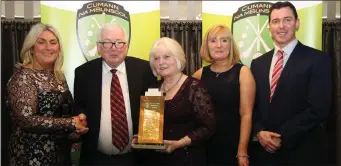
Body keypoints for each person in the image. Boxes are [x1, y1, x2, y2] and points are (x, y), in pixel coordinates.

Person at [250, 1, 332, 166]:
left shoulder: (318, 59)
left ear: (297, 23)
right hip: (263, 155)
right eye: (275, 21)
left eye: (287, 20)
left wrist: (282, 137)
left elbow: (318, 109)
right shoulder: (257, 63)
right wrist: (258, 131)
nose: (281, 26)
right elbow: (252, 105)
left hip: (302, 152)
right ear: (269, 27)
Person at [73, 23, 157, 165]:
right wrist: (80, 119)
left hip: (136, 158)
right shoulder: (83, 73)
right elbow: (79, 108)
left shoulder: (145, 70)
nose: (114, 48)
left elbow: (153, 108)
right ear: (99, 47)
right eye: (107, 43)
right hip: (97, 159)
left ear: (127, 46)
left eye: (119, 43)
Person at [6, 23, 88, 166]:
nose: (48, 48)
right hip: (30, 157)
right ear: (31, 47)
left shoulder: (58, 77)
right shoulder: (23, 77)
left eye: (53, 42)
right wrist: (71, 123)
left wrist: (76, 129)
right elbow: (27, 120)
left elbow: (59, 116)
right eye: (41, 42)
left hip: (61, 156)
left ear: (59, 48)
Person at [138, 37, 216, 166]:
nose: (161, 62)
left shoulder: (195, 87)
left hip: (187, 158)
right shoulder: (152, 88)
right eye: (156, 58)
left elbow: (209, 127)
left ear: (178, 58)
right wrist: (142, 138)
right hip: (156, 160)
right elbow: (150, 127)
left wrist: (180, 143)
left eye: (167, 56)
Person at [193, 24, 255, 166]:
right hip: (204, 146)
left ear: (231, 45)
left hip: (232, 145)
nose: (219, 45)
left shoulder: (243, 72)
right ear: (206, 46)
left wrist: (242, 151)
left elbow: (246, 115)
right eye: (213, 41)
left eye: (224, 40)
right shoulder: (200, 74)